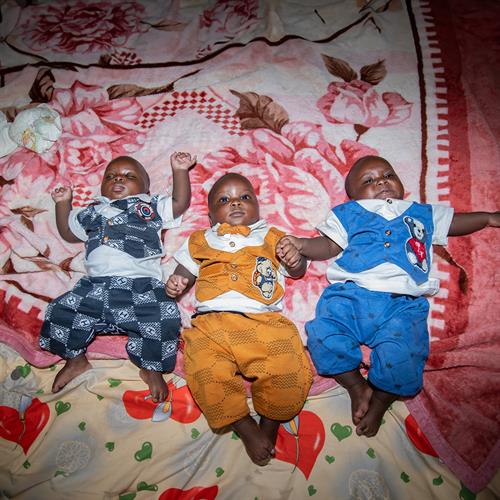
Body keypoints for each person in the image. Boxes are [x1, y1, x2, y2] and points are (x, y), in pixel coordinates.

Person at [277, 155, 500, 437]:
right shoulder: (350, 212)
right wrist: (302, 244)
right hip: (349, 297)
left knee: (407, 354)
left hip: (402, 305)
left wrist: (489, 218)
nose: (381, 181)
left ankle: (381, 400)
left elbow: (455, 222)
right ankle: (356, 386)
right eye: (368, 181)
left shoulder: (419, 213)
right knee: (321, 335)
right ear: (354, 194)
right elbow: (329, 246)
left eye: (387, 174)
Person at [165, 173, 313, 466]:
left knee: (288, 366)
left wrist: (296, 261)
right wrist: (176, 283)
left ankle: (269, 423)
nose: (235, 202)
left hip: (264, 323)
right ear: (210, 216)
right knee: (204, 371)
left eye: (244, 197)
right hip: (211, 325)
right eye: (224, 199)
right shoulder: (200, 240)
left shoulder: (272, 236)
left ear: (258, 206)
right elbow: (184, 272)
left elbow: (295, 270)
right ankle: (244, 425)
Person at [40, 152, 196, 402]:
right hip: (94, 288)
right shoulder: (92, 211)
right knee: (59, 311)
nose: (117, 179)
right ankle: (75, 359)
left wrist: (180, 170)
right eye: (110, 176)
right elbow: (68, 232)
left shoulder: (149, 206)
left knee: (165, 316)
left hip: (142, 288)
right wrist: (63, 204)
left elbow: (179, 202)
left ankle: (151, 367)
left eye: (128, 176)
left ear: (145, 187)